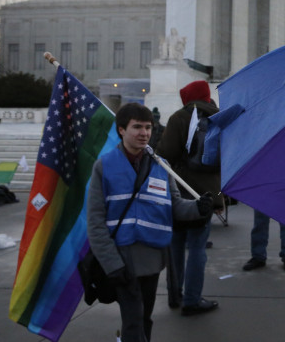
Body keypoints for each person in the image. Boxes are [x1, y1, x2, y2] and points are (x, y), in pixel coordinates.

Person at [86, 102, 213, 342]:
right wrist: (112, 264)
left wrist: (198, 208)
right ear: (121, 130)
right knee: (134, 320)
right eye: (137, 127)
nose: (144, 133)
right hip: (121, 258)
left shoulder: (161, 165)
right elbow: (95, 221)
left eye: (148, 127)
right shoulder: (104, 166)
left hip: (153, 258)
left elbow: (175, 206)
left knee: (144, 317)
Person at [155, 80, 223, 316]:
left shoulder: (179, 118)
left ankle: (175, 294)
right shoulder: (219, 118)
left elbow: (164, 154)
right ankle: (192, 300)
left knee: (175, 246)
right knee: (197, 248)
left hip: (179, 190)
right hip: (206, 193)